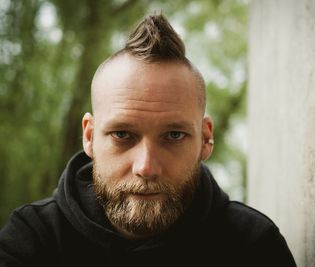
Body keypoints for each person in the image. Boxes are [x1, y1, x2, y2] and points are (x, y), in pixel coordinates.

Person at [0, 14, 296, 266]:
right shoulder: (32, 240)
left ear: (206, 139)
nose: (146, 167)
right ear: (89, 136)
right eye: (122, 135)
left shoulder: (252, 247)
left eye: (174, 135)